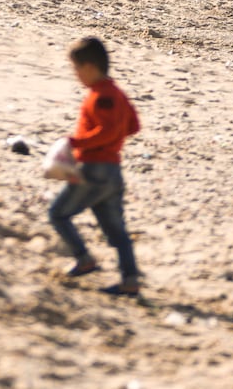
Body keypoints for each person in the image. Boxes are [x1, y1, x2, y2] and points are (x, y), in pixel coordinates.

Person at [50, 36, 142, 297]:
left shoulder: (102, 96)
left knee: (57, 214)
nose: (76, 75)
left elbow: (108, 131)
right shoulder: (118, 94)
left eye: (76, 69)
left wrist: (76, 141)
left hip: (96, 168)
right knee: (117, 231)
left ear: (90, 67)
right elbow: (133, 126)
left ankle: (83, 258)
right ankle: (130, 280)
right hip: (113, 172)